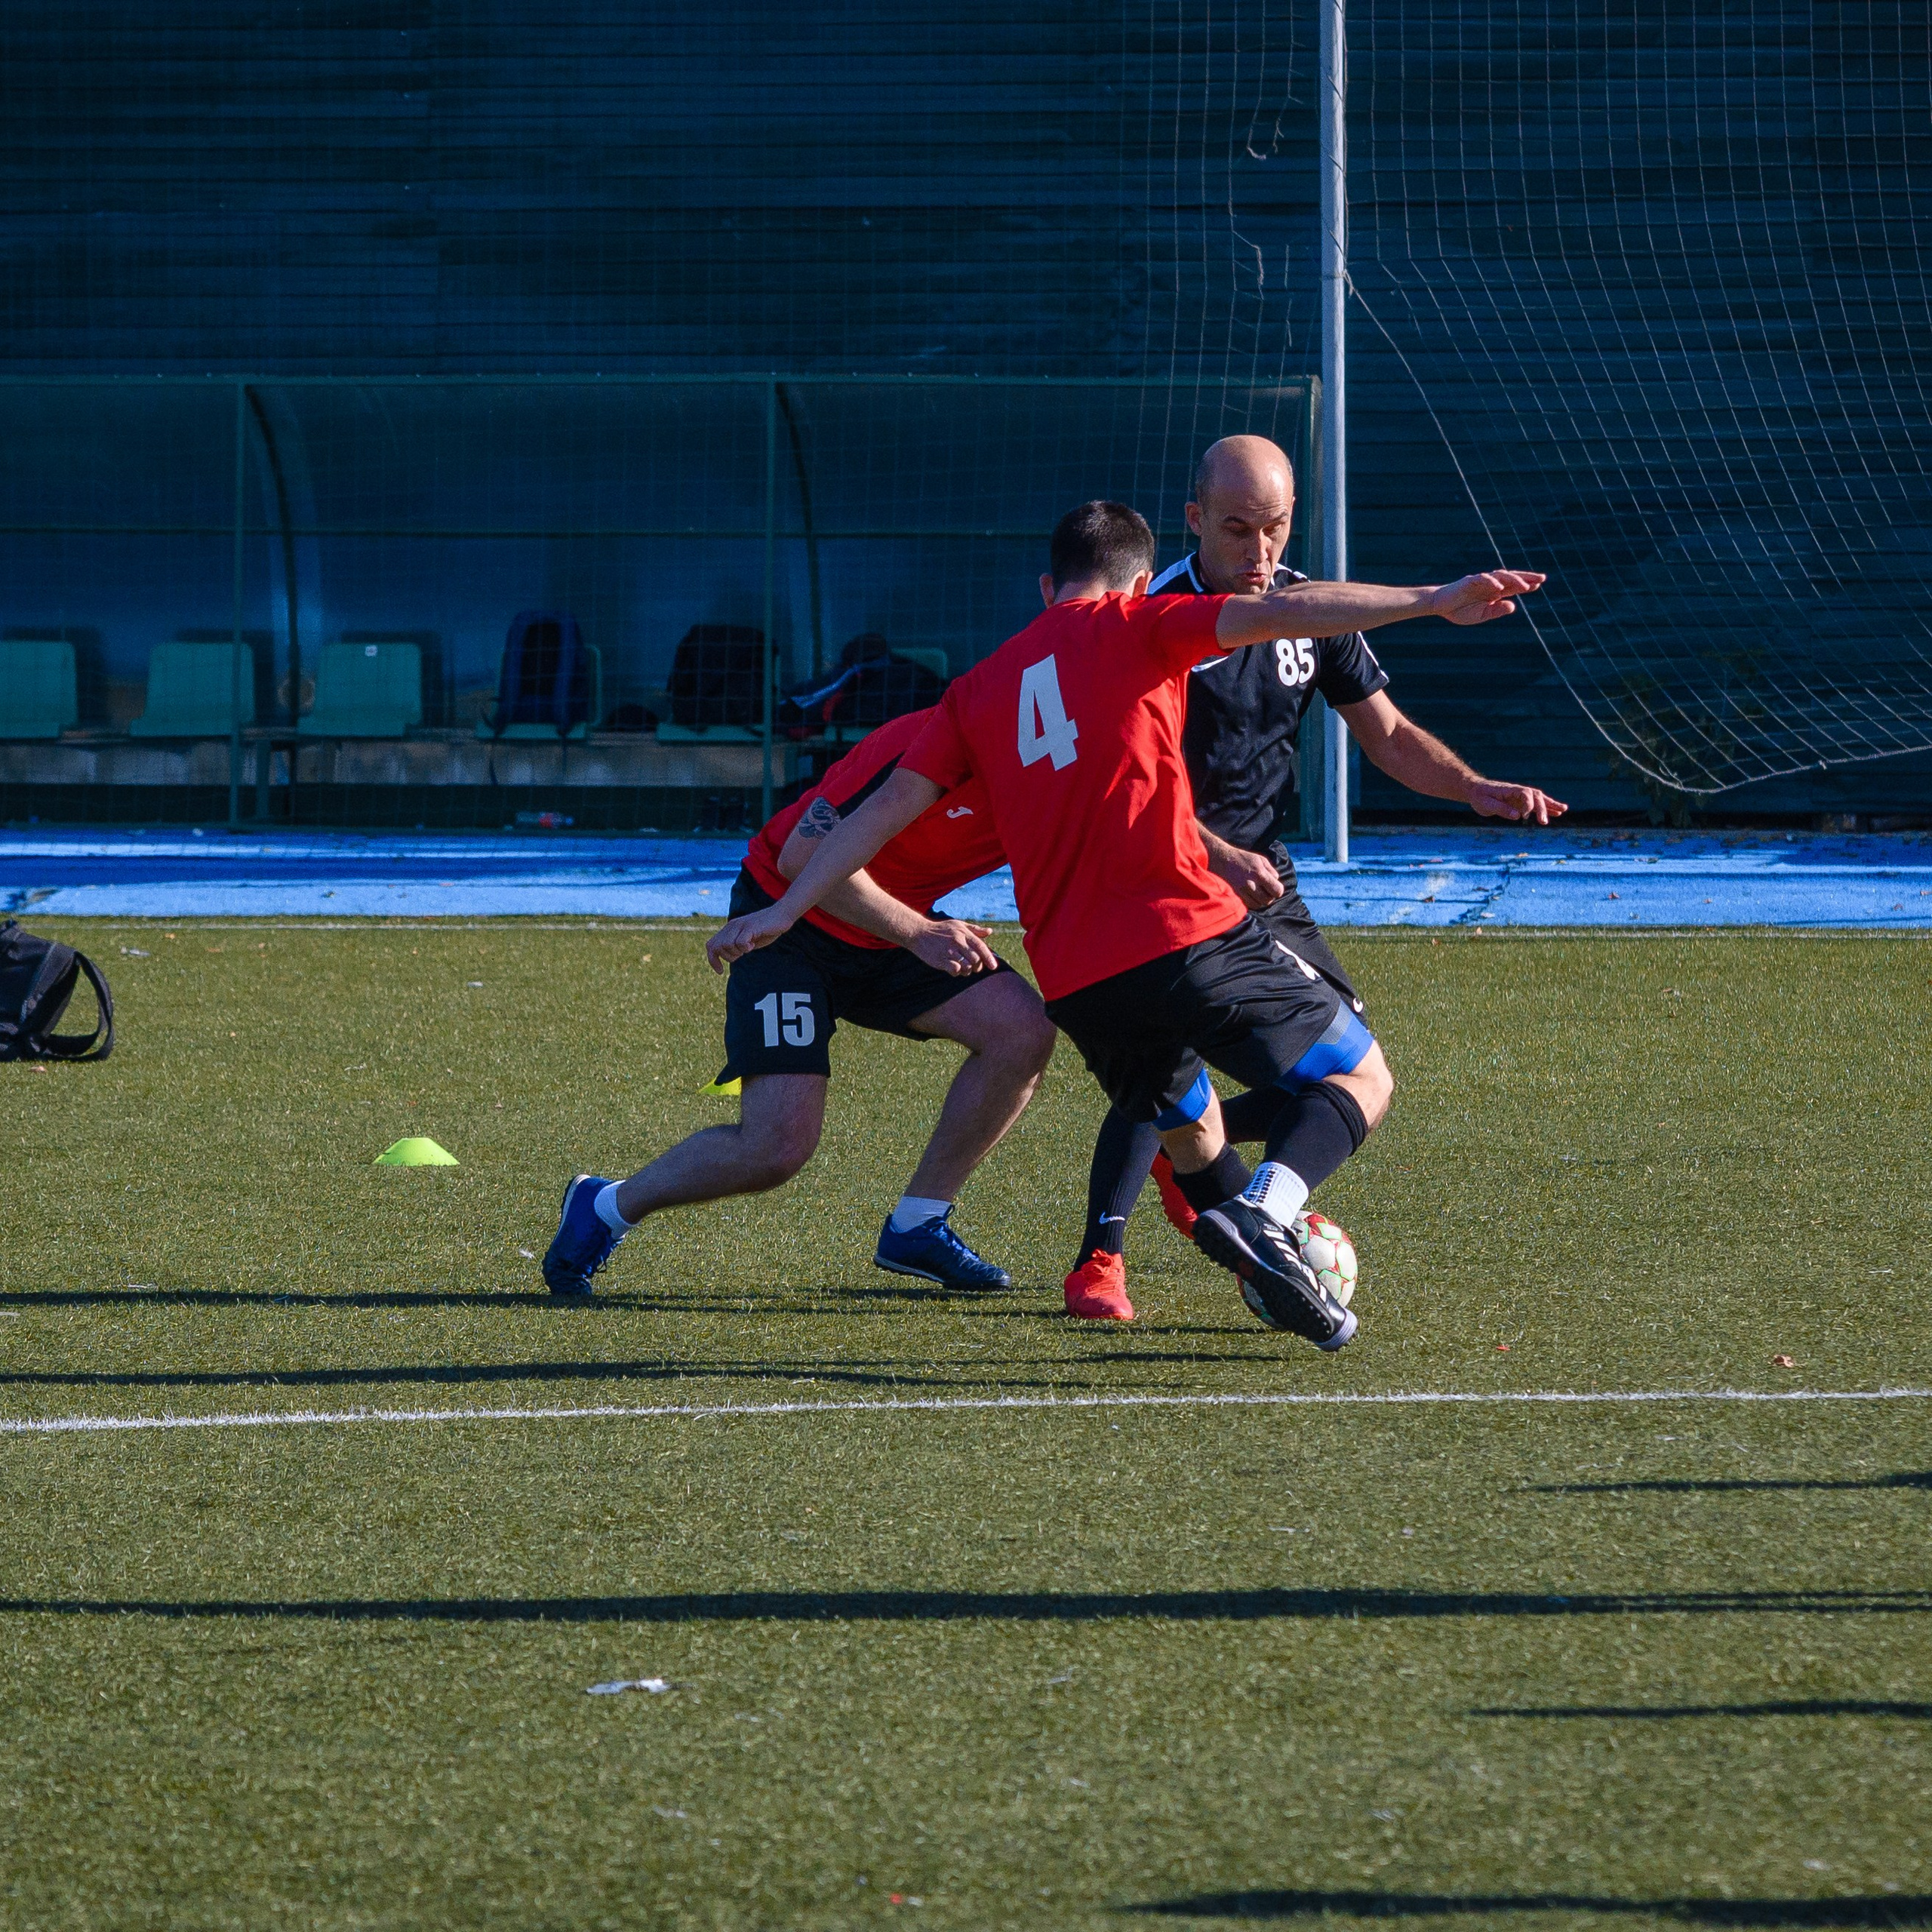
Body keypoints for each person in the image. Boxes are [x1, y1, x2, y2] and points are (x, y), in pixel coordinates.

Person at [708, 500, 1545, 1346]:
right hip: (1184, 934)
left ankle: (1278, 1278)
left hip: (1079, 981)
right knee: (1362, 1076)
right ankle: (1271, 1209)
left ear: (1047, 587)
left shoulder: (977, 688)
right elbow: (1289, 609)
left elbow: (879, 810)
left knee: (1195, 1131)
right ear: (1142, 581)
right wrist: (1434, 597)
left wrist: (786, 906)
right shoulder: (1144, 625)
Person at [1068, 434, 1568, 1318]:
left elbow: (1387, 734)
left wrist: (1472, 788)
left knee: (1314, 1063)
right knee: (1196, 1061)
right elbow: (1117, 781)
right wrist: (1212, 853)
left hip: (1269, 886)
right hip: (1172, 881)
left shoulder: (1307, 610)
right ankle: (1113, 1254)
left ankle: (1197, 1174)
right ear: (1193, 521)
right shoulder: (1153, 620)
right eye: (1236, 531)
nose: (1259, 553)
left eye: (1274, 529)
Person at [540, 706, 1053, 1298]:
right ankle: (604, 1206)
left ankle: (918, 1225)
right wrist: (916, 933)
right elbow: (802, 858)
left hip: (894, 929)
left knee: (1023, 1029)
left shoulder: (1068, 763)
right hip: (787, 926)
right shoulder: (939, 735)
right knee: (775, 1148)